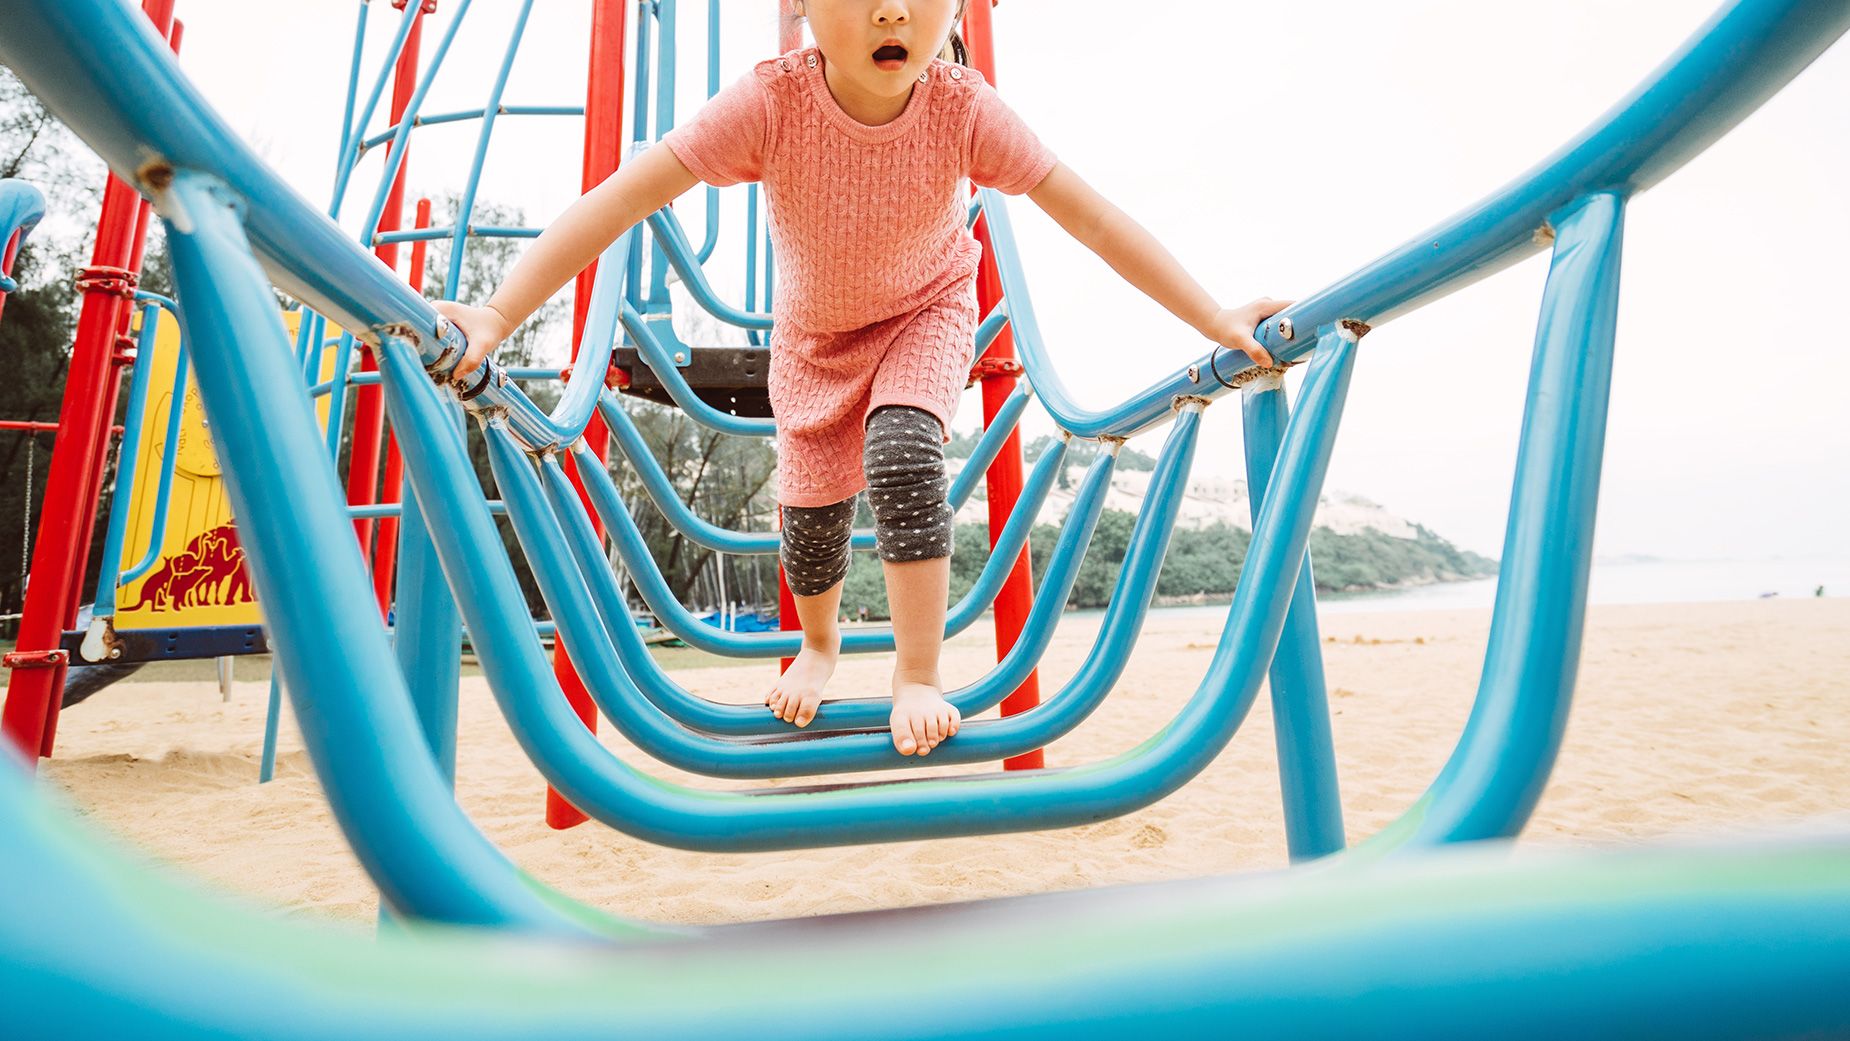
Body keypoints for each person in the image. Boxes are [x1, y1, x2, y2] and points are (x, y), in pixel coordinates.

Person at [436, 0, 1287, 757]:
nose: (892, 13)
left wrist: (1214, 318)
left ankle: (917, 673)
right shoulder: (770, 104)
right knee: (810, 529)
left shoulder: (965, 110)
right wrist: (498, 316)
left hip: (929, 307)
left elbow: (1094, 219)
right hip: (812, 341)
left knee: (905, 451)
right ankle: (817, 643)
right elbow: (622, 198)